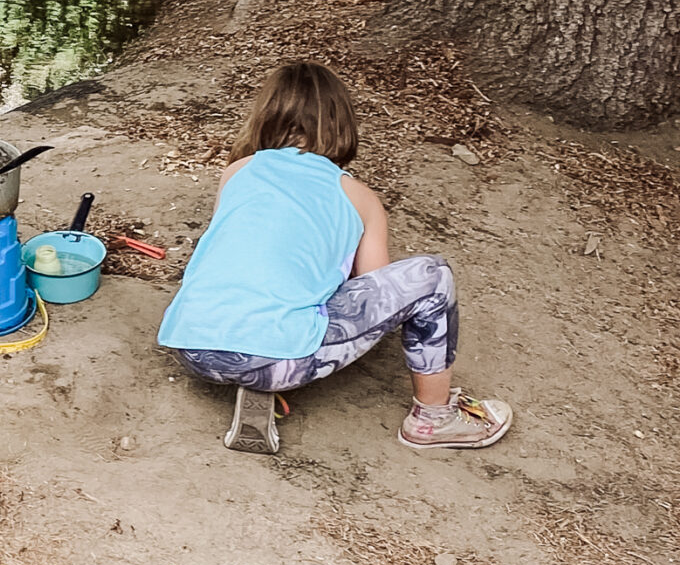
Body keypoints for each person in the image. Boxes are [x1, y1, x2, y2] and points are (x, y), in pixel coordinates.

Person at [157, 60, 513, 449]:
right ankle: (433, 418)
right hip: (278, 359)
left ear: (265, 115)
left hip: (192, 344)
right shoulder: (359, 197)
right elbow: (373, 287)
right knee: (433, 276)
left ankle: (255, 379)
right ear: (341, 123)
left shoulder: (238, 170)